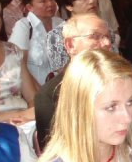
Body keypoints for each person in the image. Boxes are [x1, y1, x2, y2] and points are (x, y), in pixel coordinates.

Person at [35, 14, 112, 150]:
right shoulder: (50, 94)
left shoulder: (118, 82)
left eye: (108, 37)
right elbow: (54, 150)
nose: (107, 43)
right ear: (70, 45)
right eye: (95, 36)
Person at [9, 0, 64, 85]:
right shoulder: (23, 26)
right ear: (30, 7)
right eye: (43, 1)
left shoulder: (60, 23)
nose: (50, 4)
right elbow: (18, 66)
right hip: (35, 88)